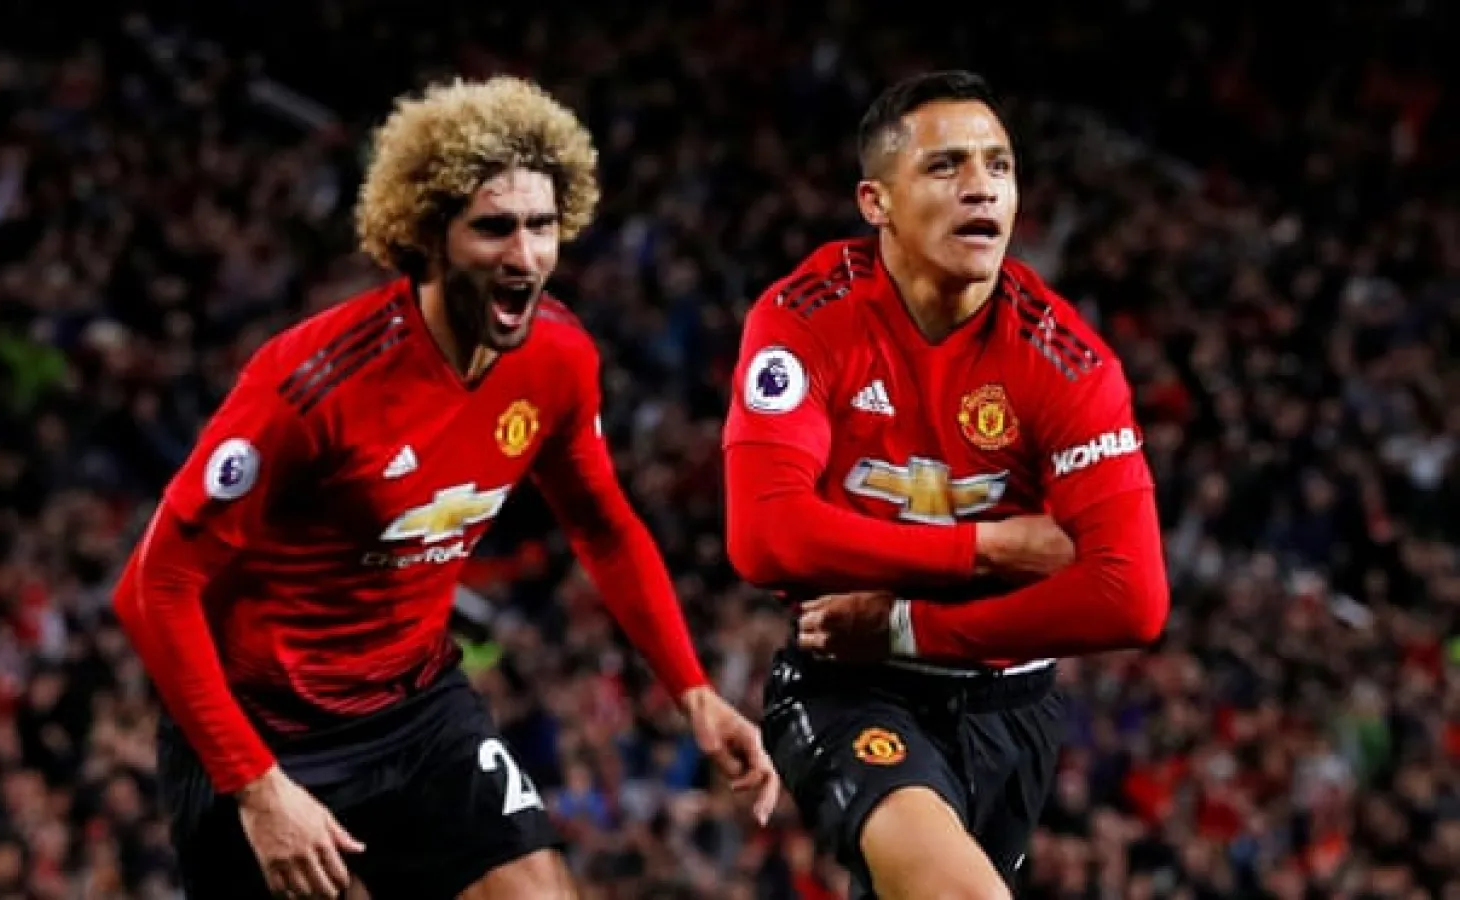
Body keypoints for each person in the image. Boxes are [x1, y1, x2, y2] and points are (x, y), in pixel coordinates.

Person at [112, 75, 778, 900]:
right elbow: (153, 587)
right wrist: (258, 787)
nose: (525, 256)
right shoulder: (312, 384)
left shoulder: (560, 361)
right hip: (266, 731)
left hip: (419, 710)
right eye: (494, 228)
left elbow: (605, 529)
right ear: (428, 235)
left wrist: (694, 692)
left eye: (542, 226)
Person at [722, 70, 1170, 899]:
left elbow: (1132, 596)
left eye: (999, 167)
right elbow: (765, 537)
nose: (982, 188)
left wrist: (904, 625)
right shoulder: (806, 318)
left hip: (1011, 709)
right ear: (875, 201)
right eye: (947, 167)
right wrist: (987, 549)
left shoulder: (1066, 360)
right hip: (849, 688)